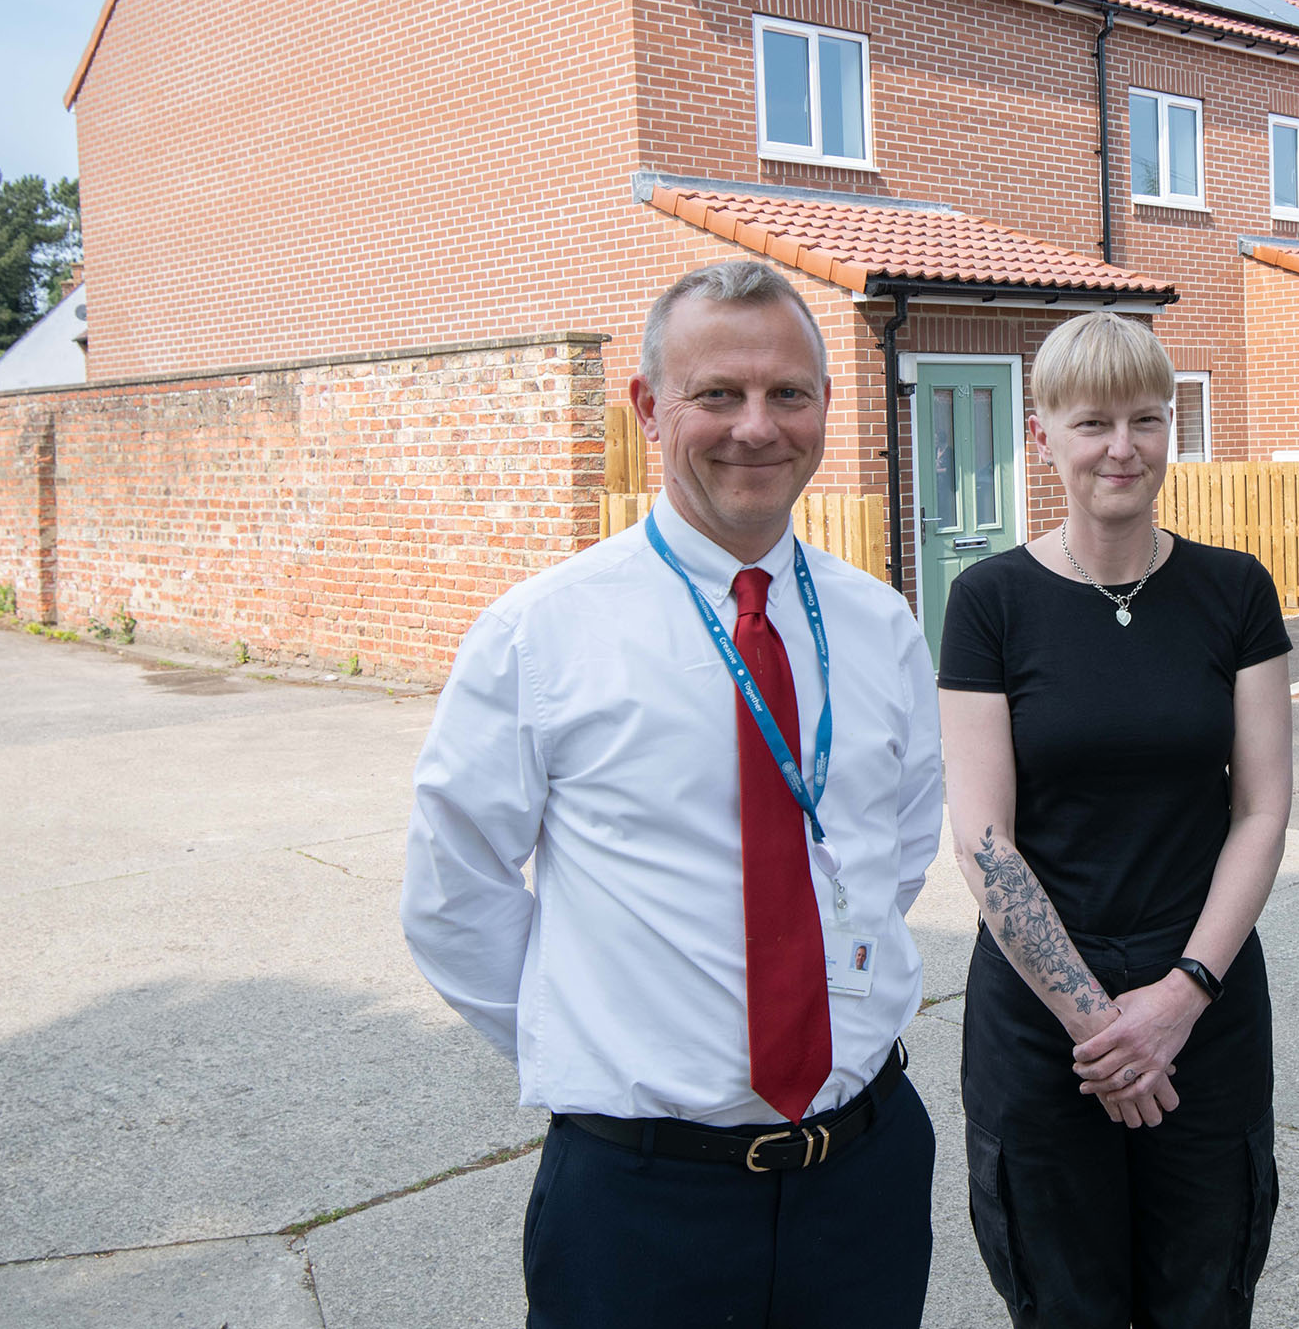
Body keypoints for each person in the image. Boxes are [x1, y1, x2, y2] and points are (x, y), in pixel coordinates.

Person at [401, 260, 944, 1329]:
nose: (757, 426)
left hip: (864, 1179)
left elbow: (898, 843)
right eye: (718, 395)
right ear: (651, 409)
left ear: (825, 407)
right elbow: (452, 887)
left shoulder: (879, 625)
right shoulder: (544, 632)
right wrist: (604, 1043)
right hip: (640, 1205)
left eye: (787, 393)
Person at [938, 312, 1294, 1329]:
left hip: (1205, 1002)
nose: (1123, 447)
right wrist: (1099, 1024)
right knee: (1062, 1301)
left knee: (1204, 1293)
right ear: (1041, 434)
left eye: (1147, 418)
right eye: (1092, 421)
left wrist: (1178, 1000)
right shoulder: (989, 601)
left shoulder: (1233, 590)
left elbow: (1261, 809)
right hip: (1046, 1024)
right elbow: (982, 838)